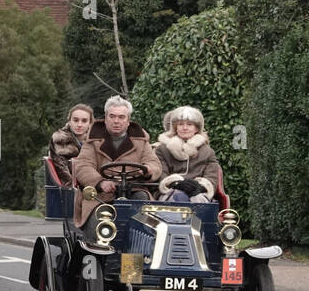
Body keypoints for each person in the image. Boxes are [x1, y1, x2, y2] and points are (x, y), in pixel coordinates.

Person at [72, 96, 162, 226]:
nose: (116, 121)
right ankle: (99, 244)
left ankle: (144, 242)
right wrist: (100, 182)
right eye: (112, 116)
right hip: (100, 196)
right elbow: (83, 165)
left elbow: (154, 163)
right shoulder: (92, 140)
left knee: (146, 211)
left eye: (121, 117)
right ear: (105, 118)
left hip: (134, 191)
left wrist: (148, 169)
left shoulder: (141, 141)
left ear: (128, 121)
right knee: (98, 222)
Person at [153, 106, 222, 204]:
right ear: (175, 128)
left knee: (198, 200)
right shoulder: (162, 150)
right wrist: (175, 183)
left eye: (189, 124)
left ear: (196, 129)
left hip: (198, 192)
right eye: (180, 124)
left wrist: (200, 186)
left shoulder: (208, 152)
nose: (185, 128)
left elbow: (211, 176)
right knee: (179, 197)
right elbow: (161, 174)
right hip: (169, 191)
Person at [48, 104, 93, 184]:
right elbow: (60, 168)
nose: (79, 125)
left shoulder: (96, 141)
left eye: (84, 121)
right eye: (76, 120)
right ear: (69, 121)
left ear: (90, 123)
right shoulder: (60, 139)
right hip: (70, 188)